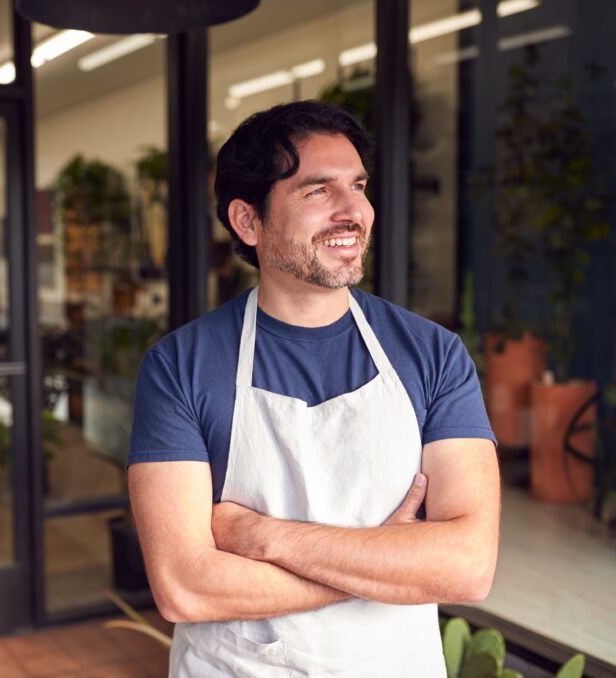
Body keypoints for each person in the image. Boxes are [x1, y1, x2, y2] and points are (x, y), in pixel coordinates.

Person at [127, 100, 500, 677]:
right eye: (317, 191)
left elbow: (467, 567)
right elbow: (185, 588)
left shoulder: (432, 354)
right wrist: (387, 564)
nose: (354, 211)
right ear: (248, 221)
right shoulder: (181, 366)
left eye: (358, 185)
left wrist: (262, 536)